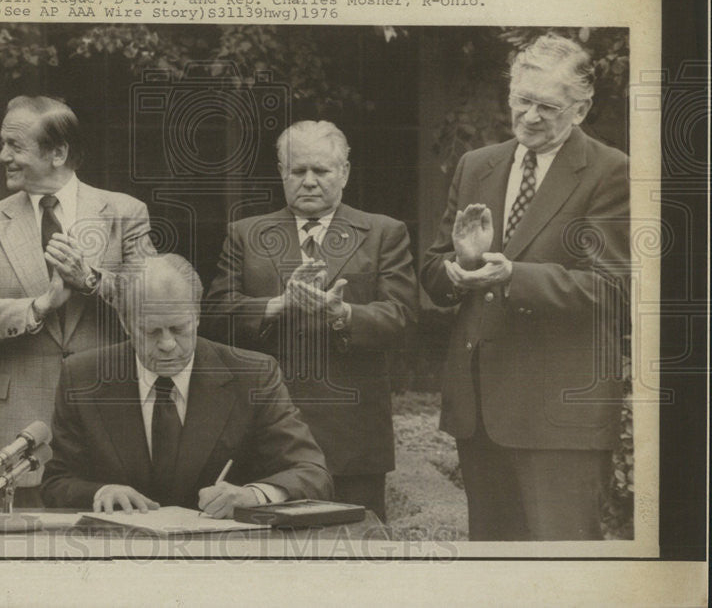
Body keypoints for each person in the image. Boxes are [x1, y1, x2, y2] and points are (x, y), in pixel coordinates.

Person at [420, 33, 630, 540]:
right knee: (493, 571)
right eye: (522, 100)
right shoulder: (477, 164)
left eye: (548, 106)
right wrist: (458, 268)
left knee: (561, 571)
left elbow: (613, 290)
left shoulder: (612, 172)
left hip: (560, 417)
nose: (531, 116)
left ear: (580, 110)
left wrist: (514, 275)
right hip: (480, 410)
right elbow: (432, 266)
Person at [205, 121, 418, 520]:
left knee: (355, 554)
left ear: (345, 173)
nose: (308, 181)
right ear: (282, 173)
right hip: (264, 432)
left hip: (352, 437)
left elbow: (402, 317)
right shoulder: (246, 234)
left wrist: (343, 314)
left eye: (321, 171)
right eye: (297, 170)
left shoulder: (383, 233)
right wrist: (277, 305)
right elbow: (215, 313)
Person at [0, 95, 151, 505]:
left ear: (58, 152)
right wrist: (40, 306)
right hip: (17, 425)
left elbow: (153, 305)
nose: (1, 155)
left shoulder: (125, 213)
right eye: (3, 143)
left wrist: (92, 279)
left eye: (15, 146)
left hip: (106, 420)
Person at [41, 254, 332, 516]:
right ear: (125, 324)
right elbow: (57, 482)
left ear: (197, 317)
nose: (167, 345)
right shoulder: (82, 376)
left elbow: (312, 473)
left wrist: (253, 496)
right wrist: (101, 492)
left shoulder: (253, 375)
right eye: (152, 331)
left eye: (179, 329)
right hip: (122, 556)